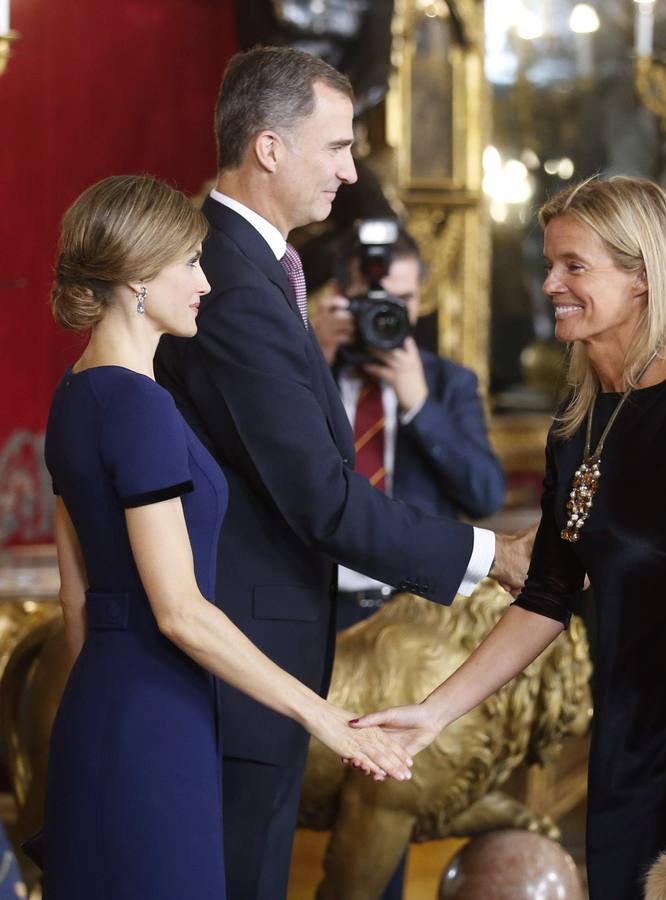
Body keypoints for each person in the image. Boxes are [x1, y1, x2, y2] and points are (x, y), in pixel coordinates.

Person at [355, 175, 666, 899]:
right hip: (627, 733)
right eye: (548, 265)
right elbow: (548, 593)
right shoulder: (580, 414)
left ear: (642, 279)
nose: (551, 285)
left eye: (574, 266)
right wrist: (434, 713)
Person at [153, 48, 531, 899]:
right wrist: (492, 555)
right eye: (337, 148)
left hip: (265, 657)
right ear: (271, 149)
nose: (351, 170)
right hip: (237, 664)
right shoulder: (233, 284)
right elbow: (322, 499)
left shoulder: (258, 270)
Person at [42, 175, 411, 900]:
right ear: (138, 277)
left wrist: (111, 717)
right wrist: (324, 717)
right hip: (159, 717)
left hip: (101, 710)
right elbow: (179, 611)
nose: (205, 282)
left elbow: (75, 595)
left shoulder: (75, 390)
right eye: (189, 263)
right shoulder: (141, 407)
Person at [307, 227, 507, 630]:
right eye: (374, 301)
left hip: (416, 615)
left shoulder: (449, 383)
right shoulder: (306, 373)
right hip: (315, 602)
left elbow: (485, 495)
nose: (388, 313)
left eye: (403, 301)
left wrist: (419, 405)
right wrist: (314, 355)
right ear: (339, 298)